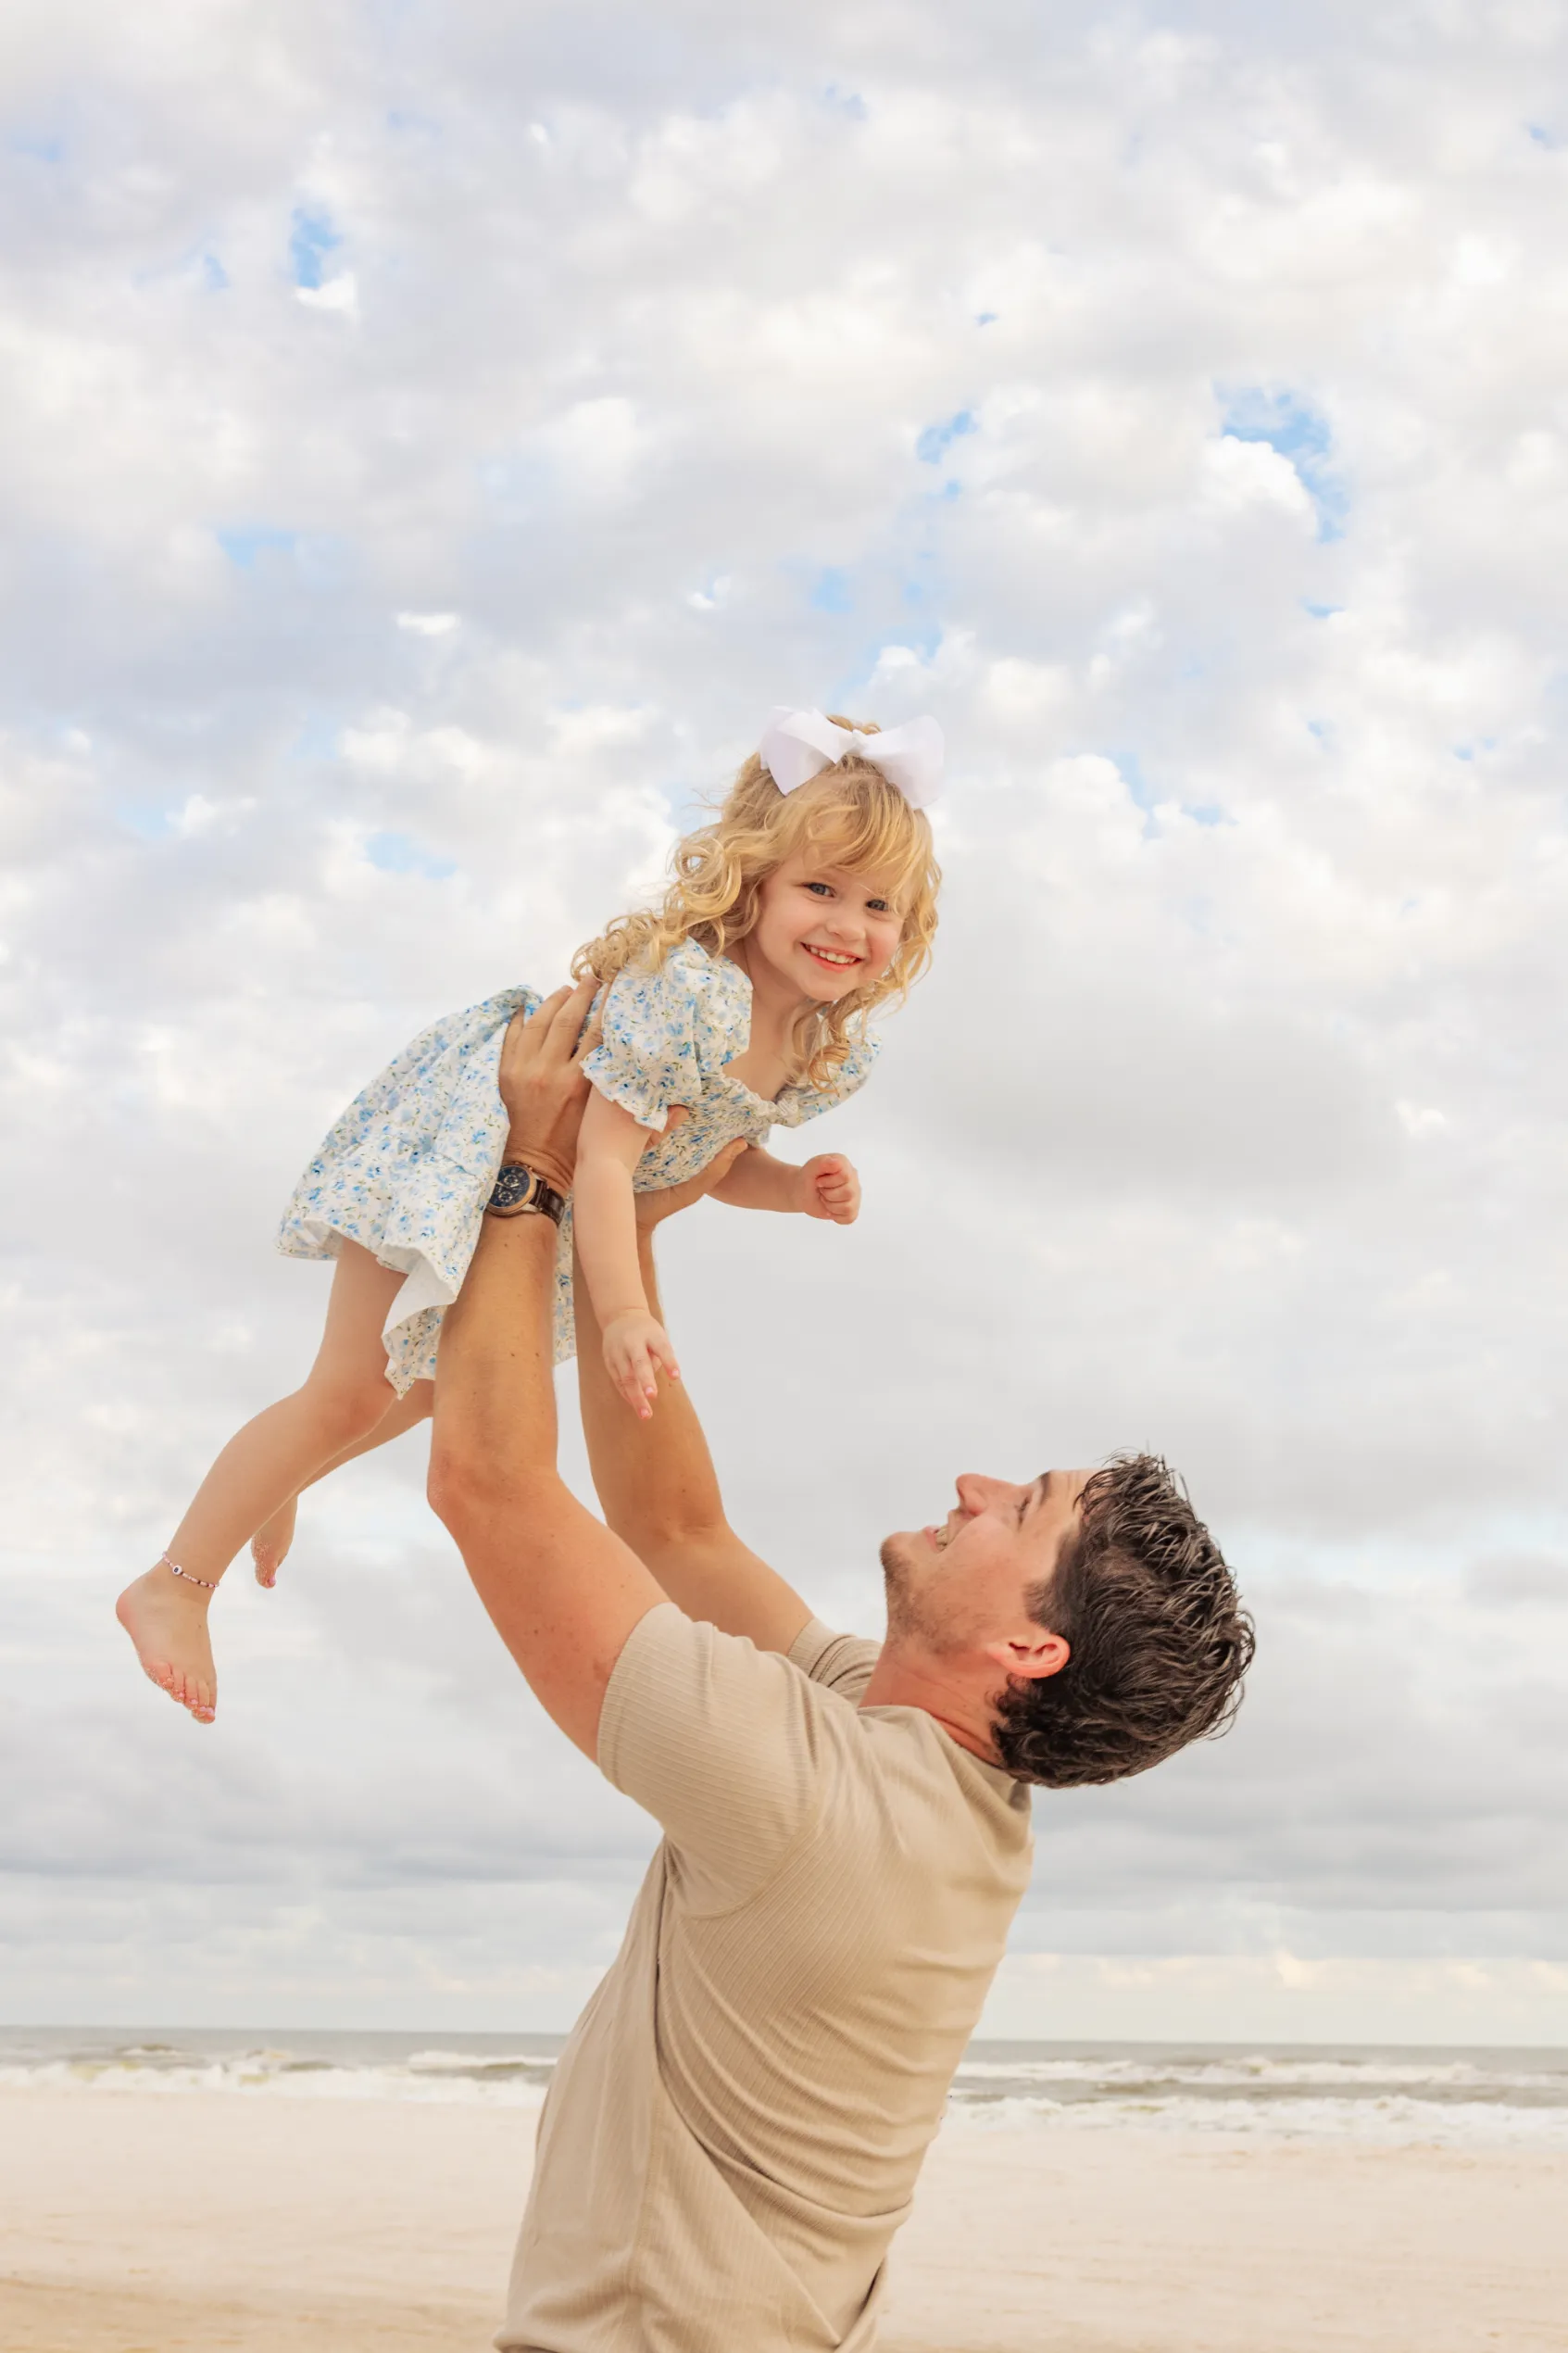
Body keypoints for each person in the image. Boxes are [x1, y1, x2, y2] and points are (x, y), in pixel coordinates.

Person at [430, 984, 1256, 2353]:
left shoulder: (810, 1796)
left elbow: (488, 1485)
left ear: (1029, 1647)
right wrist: (616, 1217)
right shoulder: (924, 1773)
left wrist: (531, 1163)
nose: (973, 1483)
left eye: (1022, 1504)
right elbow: (677, 1532)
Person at [116, 707, 945, 1723]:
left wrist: (792, 1186)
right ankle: (173, 1582)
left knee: (420, 1393)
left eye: (878, 904)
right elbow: (602, 1158)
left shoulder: (816, 1047)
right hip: (479, 1132)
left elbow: (704, 1159)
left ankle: (274, 1476)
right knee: (350, 1386)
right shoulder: (691, 991)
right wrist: (629, 1308)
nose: (846, 925)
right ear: (753, 881)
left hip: (550, 1195)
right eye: (819, 888)